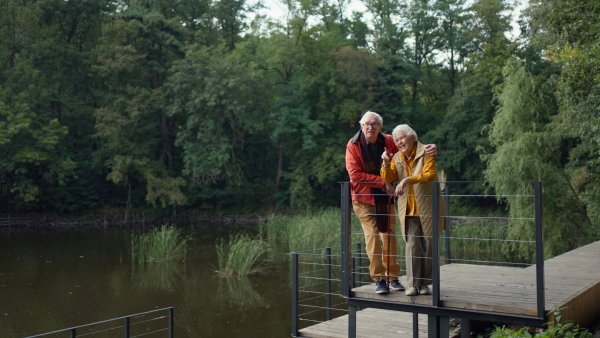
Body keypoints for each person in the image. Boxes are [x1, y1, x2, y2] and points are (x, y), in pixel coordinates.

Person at [345, 112, 437, 294]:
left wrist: (431, 148)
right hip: (363, 199)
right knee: (372, 237)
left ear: (380, 127)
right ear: (361, 127)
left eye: (374, 124)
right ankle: (379, 278)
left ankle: (393, 277)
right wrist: (383, 182)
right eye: (366, 124)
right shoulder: (353, 145)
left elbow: (410, 146)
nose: (370, 127)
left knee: (389, 237)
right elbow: (354, 175)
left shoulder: (389, 140)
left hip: (385, 198)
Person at [380, 124, 446, 296]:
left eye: (402, 138)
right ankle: (412, 284)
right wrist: (386, 163)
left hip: (427, 206)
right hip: (408, 208)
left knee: (430, 244)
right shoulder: (396, 157)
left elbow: (430, 175)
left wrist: (407, 179)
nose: (399, 142)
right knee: (412, 246)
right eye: (396, 140)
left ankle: (424, 284)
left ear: (412, 137)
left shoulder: (427, 152)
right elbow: (389, 177)